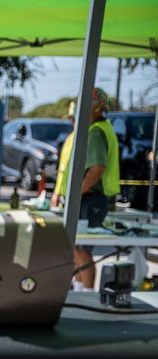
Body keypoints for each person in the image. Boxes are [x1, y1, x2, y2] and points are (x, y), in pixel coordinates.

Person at [52, 88, 121, 290]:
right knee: (77, 247)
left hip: (91, 200)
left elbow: (97, 168)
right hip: (89, 199)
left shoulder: (96, 131)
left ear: (98, 108)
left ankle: (88, 293)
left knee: (82, 248)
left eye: (86, 105)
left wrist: (78, 192)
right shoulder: (96, 129)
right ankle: (81, 289)